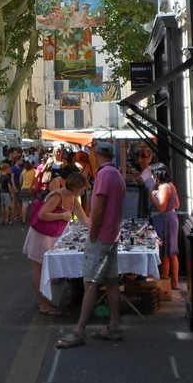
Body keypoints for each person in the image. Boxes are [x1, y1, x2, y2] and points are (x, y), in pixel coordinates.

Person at [56, 143, 127, 347]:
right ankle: (114, 327)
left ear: (97, 155)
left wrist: (94, 233)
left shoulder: (104, 175)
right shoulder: (117, 175)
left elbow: (99, 208)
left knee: (90, 284)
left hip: (102, 236)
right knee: (111, 282)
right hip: (112, 235)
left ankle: (78, 331)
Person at [23, 171, 88, 314]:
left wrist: (99, 229)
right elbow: (42, 215)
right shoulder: (57, 196)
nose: (83, 192)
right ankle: (43, 303)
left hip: (51, 235)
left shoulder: (73, 198)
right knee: (39, 269)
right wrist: (62, 215)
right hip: (41, 235)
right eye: (82, 189)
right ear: (76, 187)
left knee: (45, 269)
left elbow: (84, 220)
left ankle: (44, 301)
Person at [151, 169, 181, 295]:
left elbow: (161, 207)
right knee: (172, 251)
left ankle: (165, 284)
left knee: (164, 252)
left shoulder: (163, 187)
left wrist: (152, 196)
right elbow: (177, 204)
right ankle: (175, 282)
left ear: (158, 174)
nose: (151, 177)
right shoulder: (171, 185)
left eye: (153, 174)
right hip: (171, 218)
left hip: (164, 220)